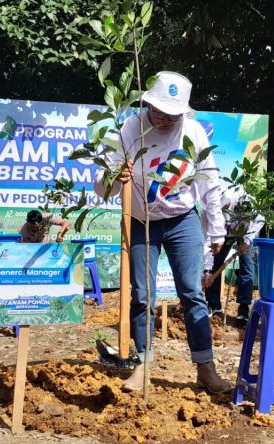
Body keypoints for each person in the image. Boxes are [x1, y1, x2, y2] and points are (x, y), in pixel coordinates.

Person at [93, 71, 231, 394]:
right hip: (141, 223)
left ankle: (205, 368)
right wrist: (115, 175)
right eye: (160, 112)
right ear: (148, 105)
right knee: (142, 294)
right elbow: (102, 188)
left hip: (183, 220)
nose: (166, 119)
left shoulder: (194, 133)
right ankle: (143, 365)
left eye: (173, 115)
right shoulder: (128, 130)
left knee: (192, 292)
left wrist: (217, 228)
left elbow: (209, 183)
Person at [201, 188, 263, 323]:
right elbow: (207, 242)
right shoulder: (208, 213)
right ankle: (213, 305)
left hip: (246, 233)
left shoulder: (249, 204)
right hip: (223, 235)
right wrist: (207, 270)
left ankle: (243, 309)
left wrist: (246, 241)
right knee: (215, 264)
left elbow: (260, 220)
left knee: (247, 267)